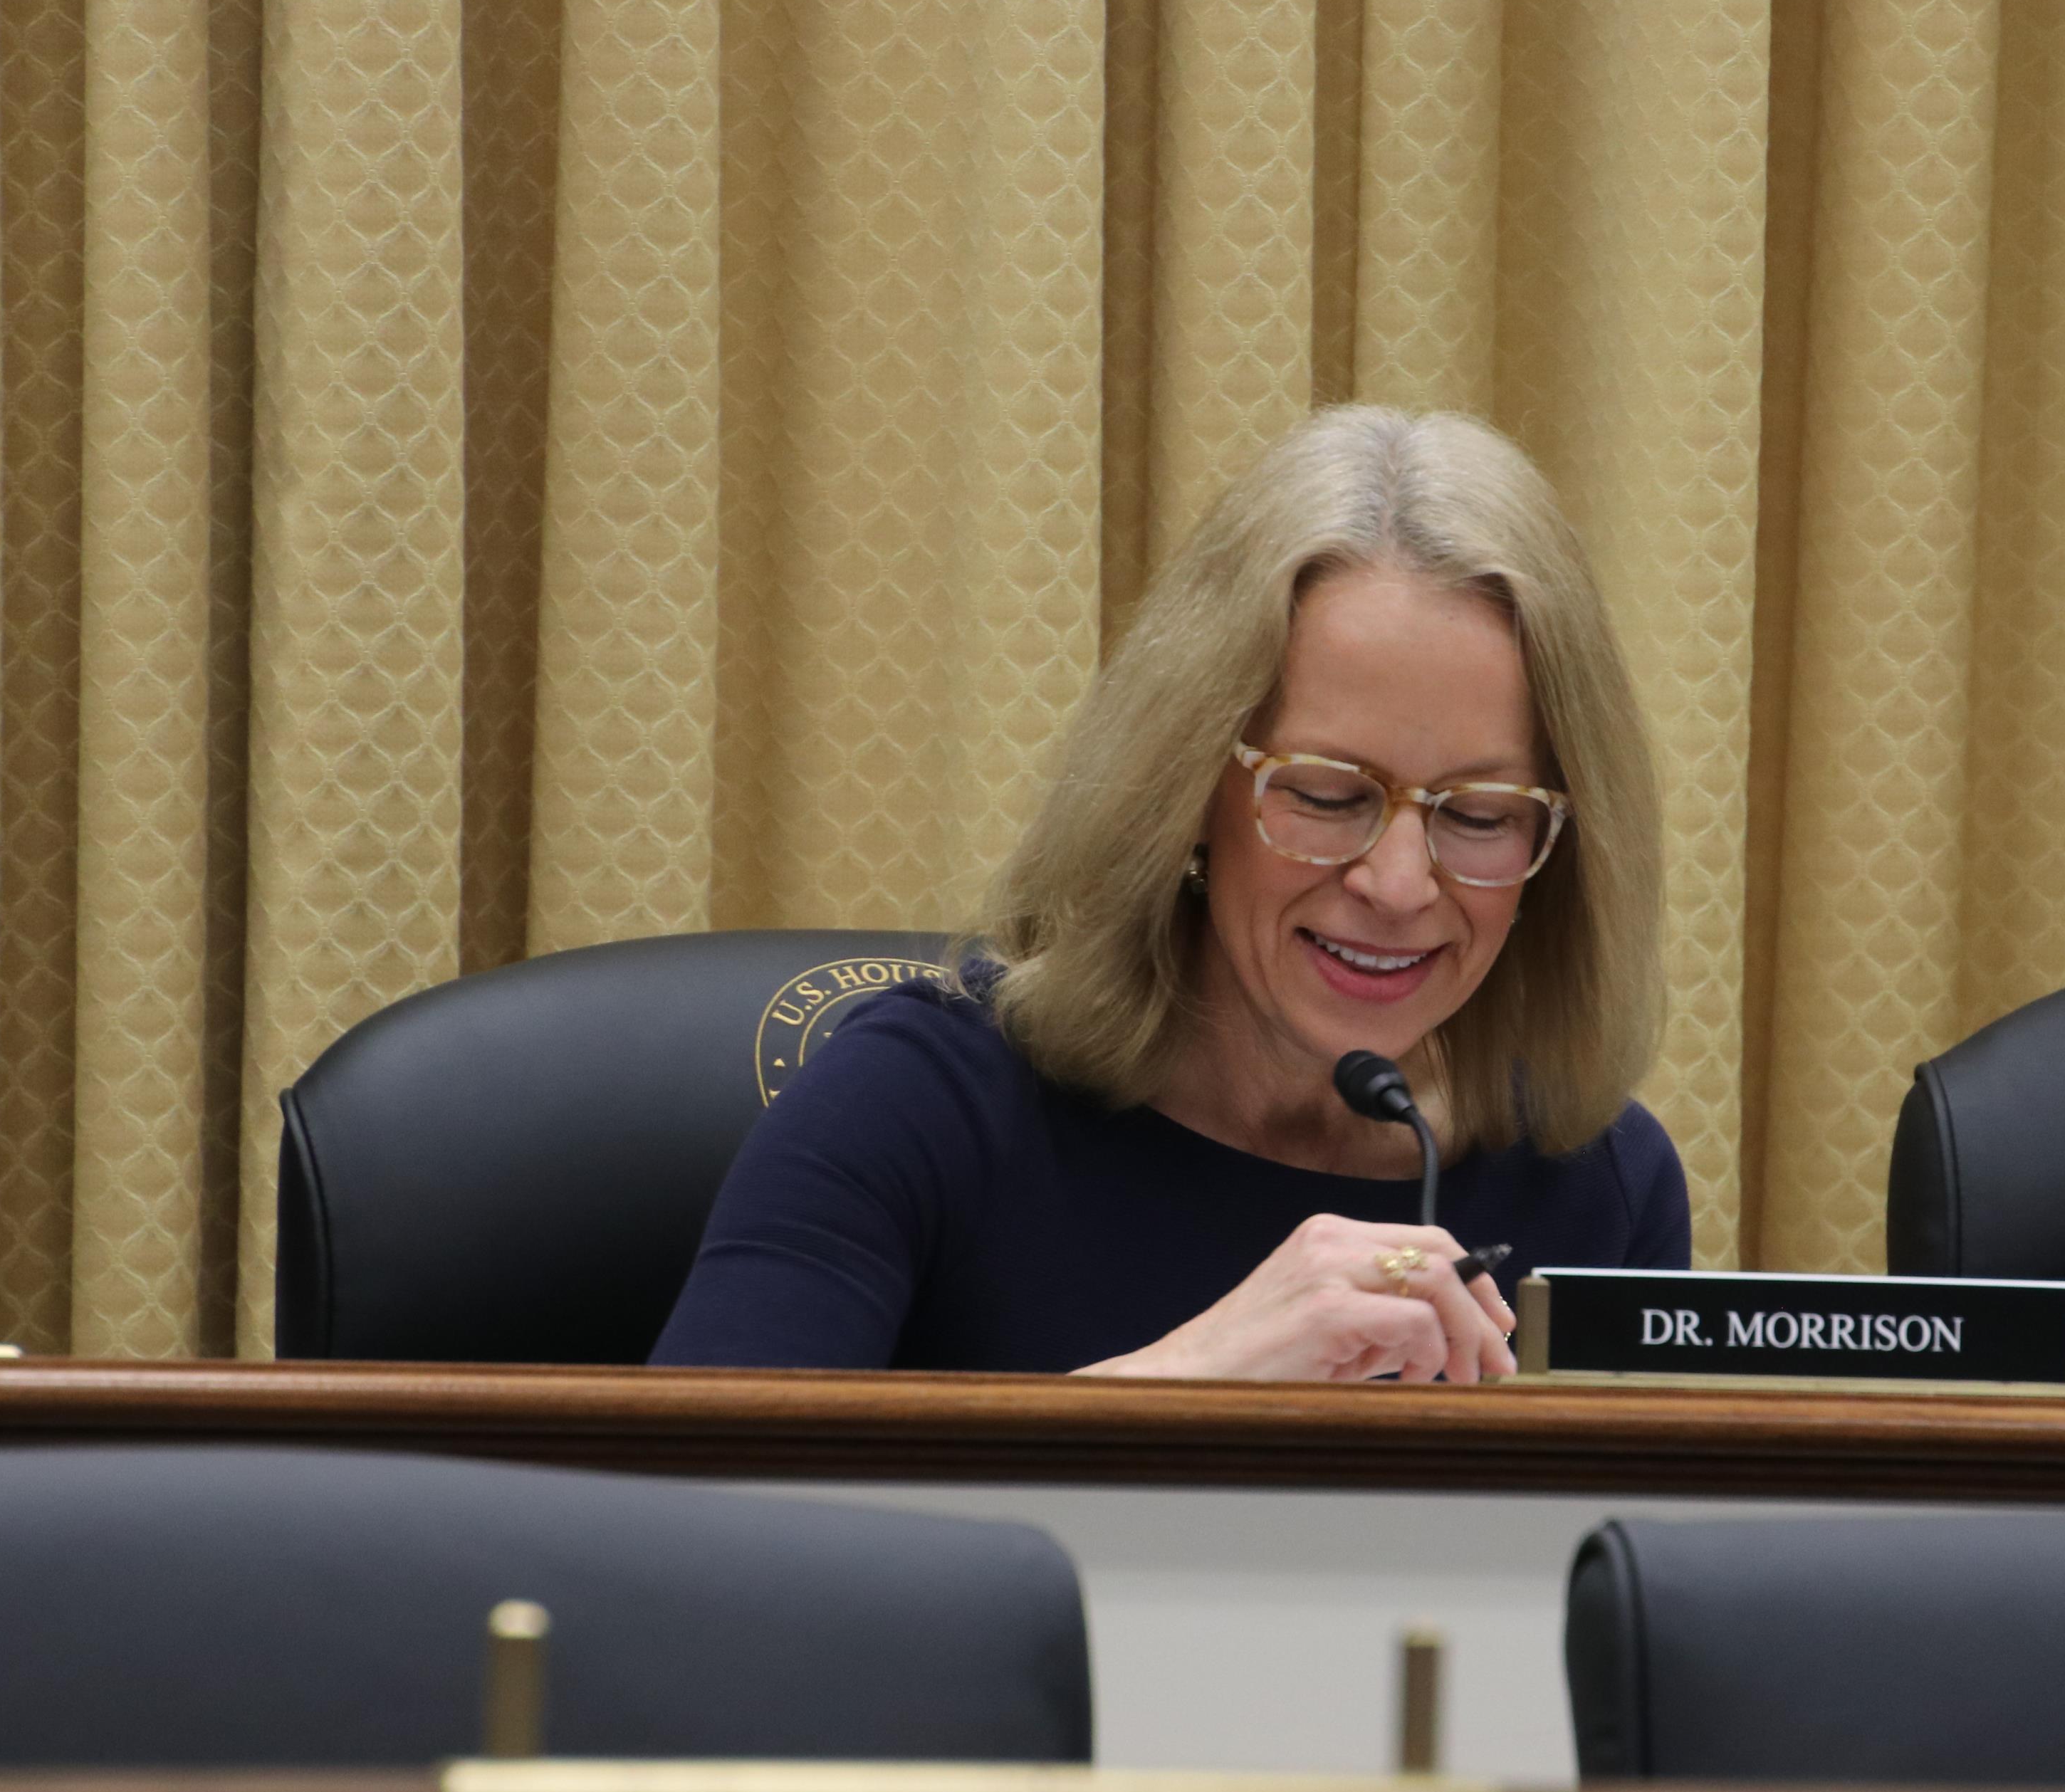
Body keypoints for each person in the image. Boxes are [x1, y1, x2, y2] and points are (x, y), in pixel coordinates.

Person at [654, 408, 1686, 1378]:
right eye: (1326, 796)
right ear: (1186, 789)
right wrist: (1190, 1384)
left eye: (1481, 817)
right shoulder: (916, 1103)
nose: (1399, 884)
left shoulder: (1602, 1185)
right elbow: (684, 1507)